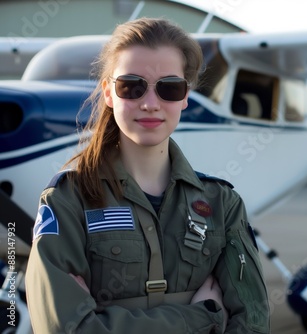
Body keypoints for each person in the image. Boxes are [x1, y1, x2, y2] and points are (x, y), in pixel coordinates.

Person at [26, 17, 270, 333]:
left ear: (185, 96)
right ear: (109, 93)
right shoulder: (68, 199)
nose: (151, 104)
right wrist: (203, 316)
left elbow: (252, 321)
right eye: (131, 86)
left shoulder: (223, 203)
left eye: (170, 88)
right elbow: (65, 328)